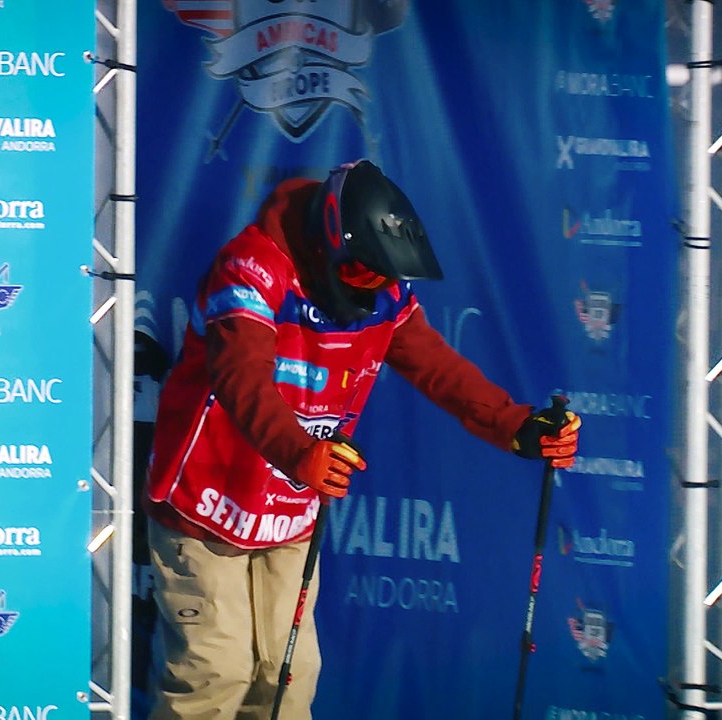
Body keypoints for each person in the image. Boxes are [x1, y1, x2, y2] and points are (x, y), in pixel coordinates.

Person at [143, 159, 581, 720]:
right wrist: (299, 452)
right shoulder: (250, 268)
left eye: (384, 276)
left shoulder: (385, 293)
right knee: (214, 671)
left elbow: (436, 367)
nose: (373, 285)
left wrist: (514, 424)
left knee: (288, 679)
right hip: (205, 503)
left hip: (288, 511)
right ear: (329, 242)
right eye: (362, 272)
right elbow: (240, 376)